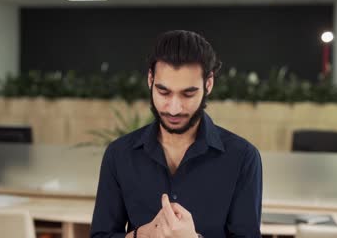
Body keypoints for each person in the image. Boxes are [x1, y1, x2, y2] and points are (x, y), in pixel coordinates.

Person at [90, 30, 263, 238]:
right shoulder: (118, 154)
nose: (173, 108)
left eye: (188, 94)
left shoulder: (242, 157)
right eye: (164, 92)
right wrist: (142, 235)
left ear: (208, 84)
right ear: (150, 80)